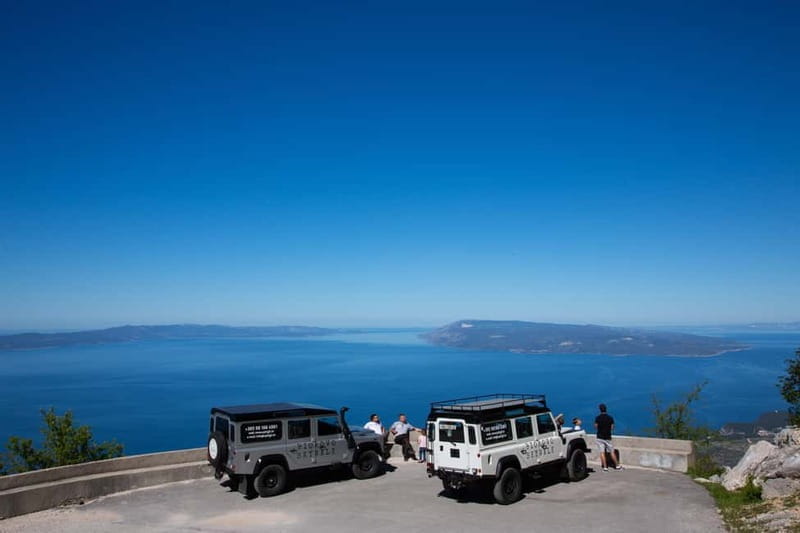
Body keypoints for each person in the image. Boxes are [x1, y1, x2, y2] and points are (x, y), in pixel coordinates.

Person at [595, 403, 623, 471]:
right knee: (612, 452)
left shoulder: (597, 418)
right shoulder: (610, 418)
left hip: (599, 437)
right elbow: (612, 427)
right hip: (608, 437)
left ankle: (605, 467)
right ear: (606, 409)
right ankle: (617, 466)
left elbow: (596, 426)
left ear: (600, 410)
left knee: (602, 452)